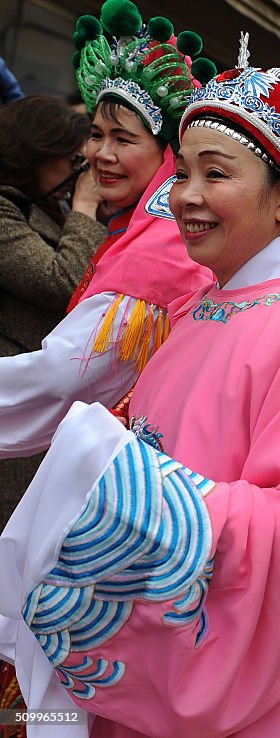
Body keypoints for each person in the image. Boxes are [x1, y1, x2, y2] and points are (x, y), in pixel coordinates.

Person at [0, 34, 280, 734]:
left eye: (216, 175)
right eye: (183, 173)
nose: (186, 198)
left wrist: (127, 492)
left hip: (220, 681)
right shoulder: (195, 308)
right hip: (137, 643)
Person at [0, 0, 217, 460]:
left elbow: (63, 378)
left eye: (123, 139)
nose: (101, 153)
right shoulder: (133, 230)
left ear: (167, 157)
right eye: (96, 135)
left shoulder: (162, 249)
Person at [0, 96, 106, 524]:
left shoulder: (43, 205)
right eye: (69, 161)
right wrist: (84, 208)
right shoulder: (5, 210)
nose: (79, 172)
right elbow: (62, 281)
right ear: (34, 155)